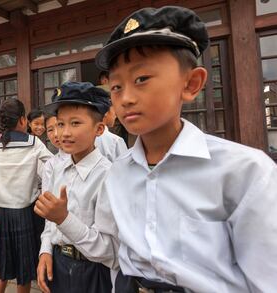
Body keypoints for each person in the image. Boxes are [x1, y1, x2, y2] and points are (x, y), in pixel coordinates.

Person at [95, 5, 277, 293]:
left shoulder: (245, 172)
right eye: (116, 87)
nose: (126, 98)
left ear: (192, 84)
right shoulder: (117, 173)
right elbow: (118, 255)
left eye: (141, 79)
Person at [35, 81, 119, 293]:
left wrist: (64, 219)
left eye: (75, 123)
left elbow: (108, 249)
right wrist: (45, 250)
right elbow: (50, 222)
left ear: (99, 129)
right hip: (59, 265)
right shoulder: (57, 168)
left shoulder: (108, 176)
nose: (64, 133)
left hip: (92, 271)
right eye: (60, 124)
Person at [0, 98, 53, 293]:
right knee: (24, 268)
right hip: (26, 214)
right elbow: (54, 165)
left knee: (5, 261)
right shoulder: (33, 143)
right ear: (21, 120)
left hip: (0, 215)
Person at [95, 89, 128, 162]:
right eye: (114, 111)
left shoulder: (86, 137)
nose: (115, 116)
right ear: (106, 112)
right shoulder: (115, 141)